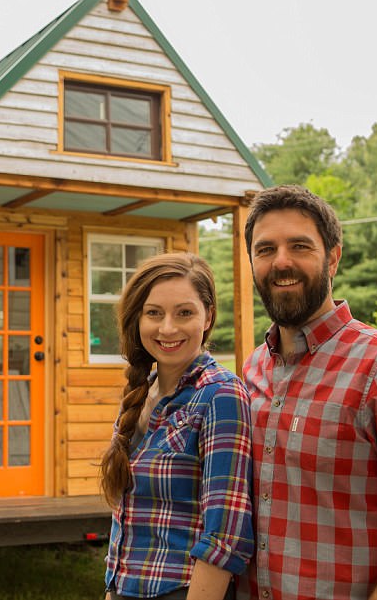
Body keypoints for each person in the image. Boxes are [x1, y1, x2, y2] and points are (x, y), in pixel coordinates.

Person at [237, 185, 377, 600]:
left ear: (333, 258)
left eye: (300, 246)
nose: (281, 261)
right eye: (265, 249)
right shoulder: (253, 368)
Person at [101, 252, 255, 600]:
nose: (167, 328)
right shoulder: (141, 392)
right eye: (154, 313)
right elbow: (123, 517)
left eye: (184, 313)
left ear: (208, 316)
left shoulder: (220, 395)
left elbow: (226, 535)